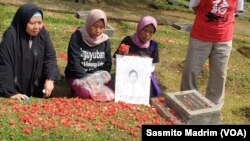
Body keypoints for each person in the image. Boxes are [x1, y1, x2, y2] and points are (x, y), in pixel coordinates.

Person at [180, 0, 244, 110]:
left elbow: (236, 11)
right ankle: (187, 102)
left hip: (224, 39)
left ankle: (213, 108)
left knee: (219, 75)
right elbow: (195, 7)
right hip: (200, 36)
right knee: (191, 70)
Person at [0, 3, 61, 101]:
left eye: (40, 23)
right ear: (23, 22)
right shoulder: (11, 36)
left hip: (37, 90)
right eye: (32, 23)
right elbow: (4, 65)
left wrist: (50, 79)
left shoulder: (43, 34)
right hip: (15, 87)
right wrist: (10, 92)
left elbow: (50, 58)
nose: (37, 27)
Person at [64, 9, 112, 99]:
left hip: (98, 78)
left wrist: (101, 79)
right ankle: (75, 90)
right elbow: (74, 63)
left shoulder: (105, 40)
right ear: (89, 23)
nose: (98, 30)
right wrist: (88, 80)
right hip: (79, 76)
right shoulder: (77, 37)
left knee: (109, 91)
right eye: (95, 26)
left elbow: (107, 63)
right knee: (85, 94)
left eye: (101, 27)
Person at [113, 15, 161, 98]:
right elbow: (115, 60)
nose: (147, 34)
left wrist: (143, 69)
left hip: (143, 77)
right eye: (145, 30)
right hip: (127, 76)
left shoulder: (153, 45)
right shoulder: (128, 40)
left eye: (151, 32)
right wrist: (121, 55)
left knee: (147, 95)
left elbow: (152, 67)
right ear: (139, 28)